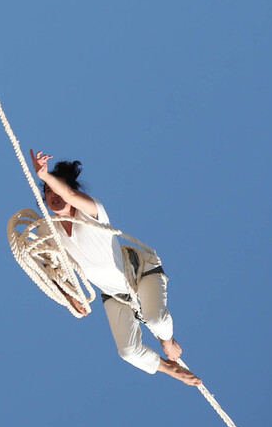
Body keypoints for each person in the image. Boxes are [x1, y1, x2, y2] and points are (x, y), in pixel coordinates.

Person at [30, 149, 201, 386]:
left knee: (157, 322)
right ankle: (168, 369)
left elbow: (67, 193)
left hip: (140, 271)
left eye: (56, 188)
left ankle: (168, 343)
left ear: (73, 192)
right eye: (47, 192)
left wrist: (44, 176)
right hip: (113, 293)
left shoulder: (91, 210)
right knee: (128, 352)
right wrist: (69, 296)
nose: (53, 195)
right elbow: (49, 267)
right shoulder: (48, 232)